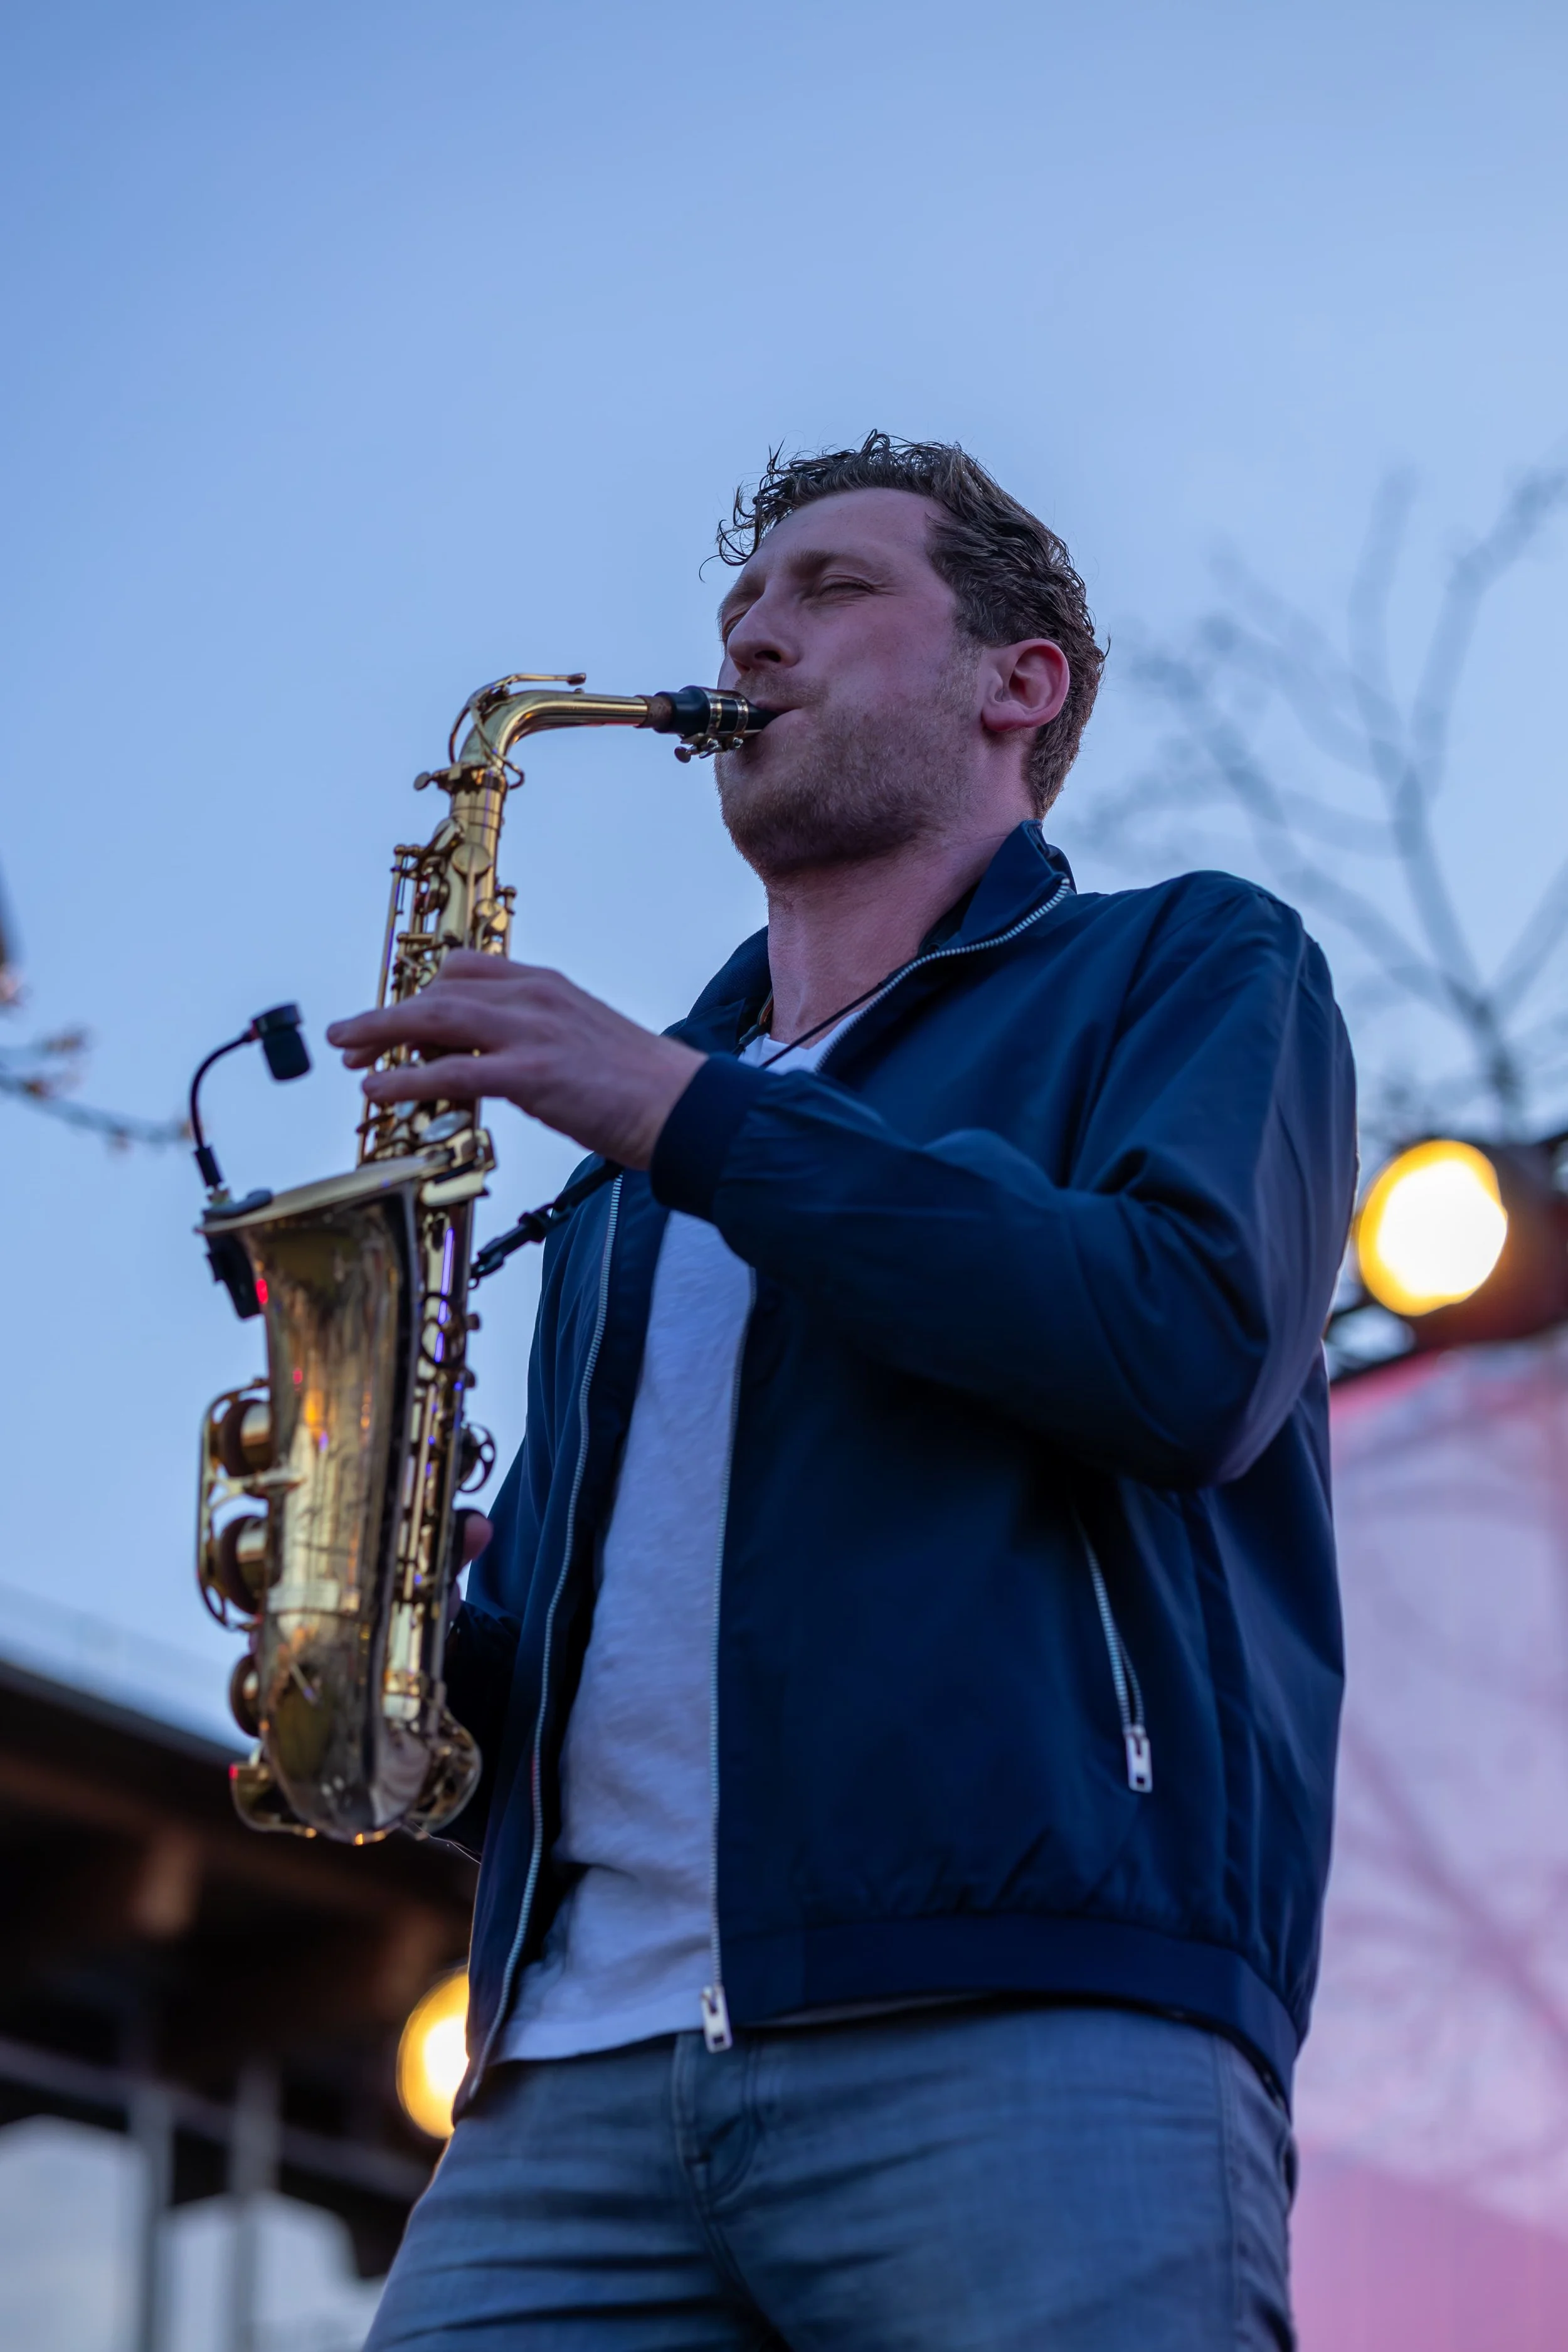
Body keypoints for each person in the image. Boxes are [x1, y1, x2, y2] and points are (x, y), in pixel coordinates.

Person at [333, 434, 1357, 2350]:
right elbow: (625, 1696)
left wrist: (683, 1113)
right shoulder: (627, 1169)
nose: (753, 636)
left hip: (1032, 2025)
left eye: (830, 590)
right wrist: (395, 1642)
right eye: (739, 605)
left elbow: (1180, 1344)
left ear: (1016, 679)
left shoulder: (1190, 962)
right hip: (568, 2071)